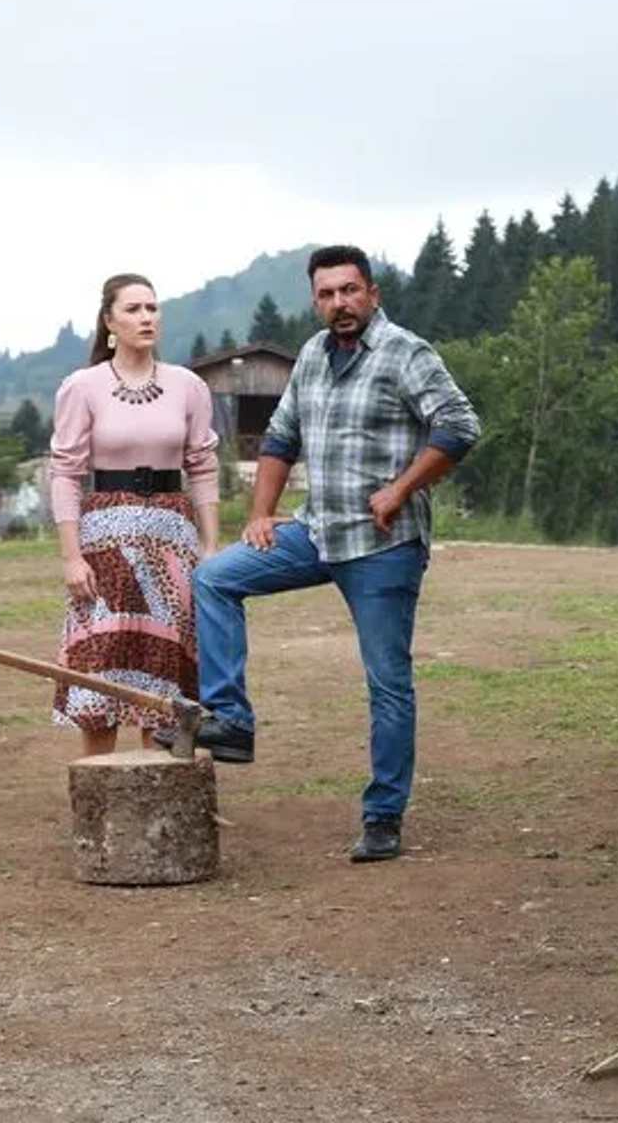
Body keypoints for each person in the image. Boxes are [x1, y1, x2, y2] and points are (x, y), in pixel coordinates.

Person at [173, 245, 480, 863]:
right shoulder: (312, 355)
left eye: (349, 291)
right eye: (327, 294)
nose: (339, 303)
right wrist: (259, 513)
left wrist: (400, 488)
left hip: (383, 546)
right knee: (214, 577)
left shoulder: (406, 353)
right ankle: (231, 719)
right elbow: (281, 438)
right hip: (315, 533)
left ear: (373, 293)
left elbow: (458, 426)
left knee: (387, 683)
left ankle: (383, 816)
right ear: (315, 300)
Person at [48, 274, 220, 757]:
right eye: (133, 309)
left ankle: (158, 802)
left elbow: (203, 467)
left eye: (152, 308)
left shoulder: (188, 386)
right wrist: (71, 557)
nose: (146, 317)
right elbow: (65, 473)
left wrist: (209, 549)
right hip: (103, 544)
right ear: (109, 321)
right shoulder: (82, 387)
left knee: (164, 675)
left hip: (172, 542)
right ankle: (99, 803)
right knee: (100, 671)